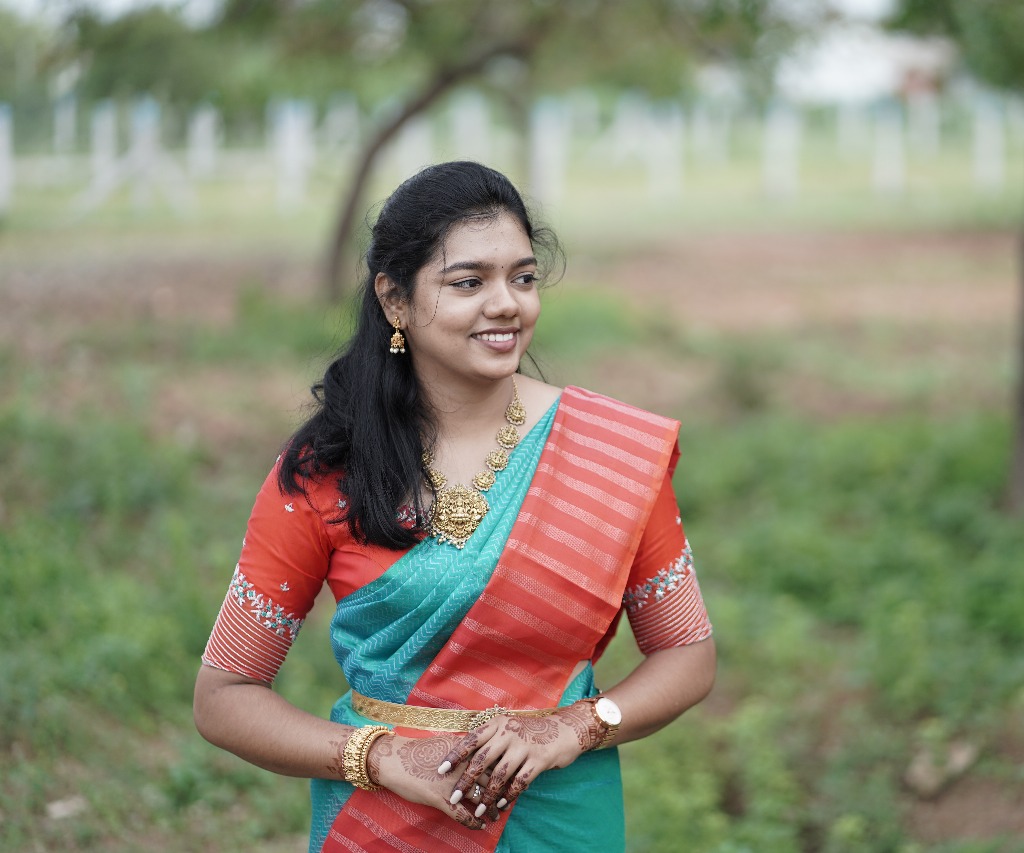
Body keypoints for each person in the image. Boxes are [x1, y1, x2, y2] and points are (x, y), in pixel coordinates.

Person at [193, 160, 716, 853]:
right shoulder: (328, 472)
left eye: (522, 278)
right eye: (469, 282)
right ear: (395, 300)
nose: (506, 304)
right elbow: (224, 696)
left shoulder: (609, 453)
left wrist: (574, 725)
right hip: (382, 822)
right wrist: (382, 757)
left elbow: (687, 653)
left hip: (563, 816)